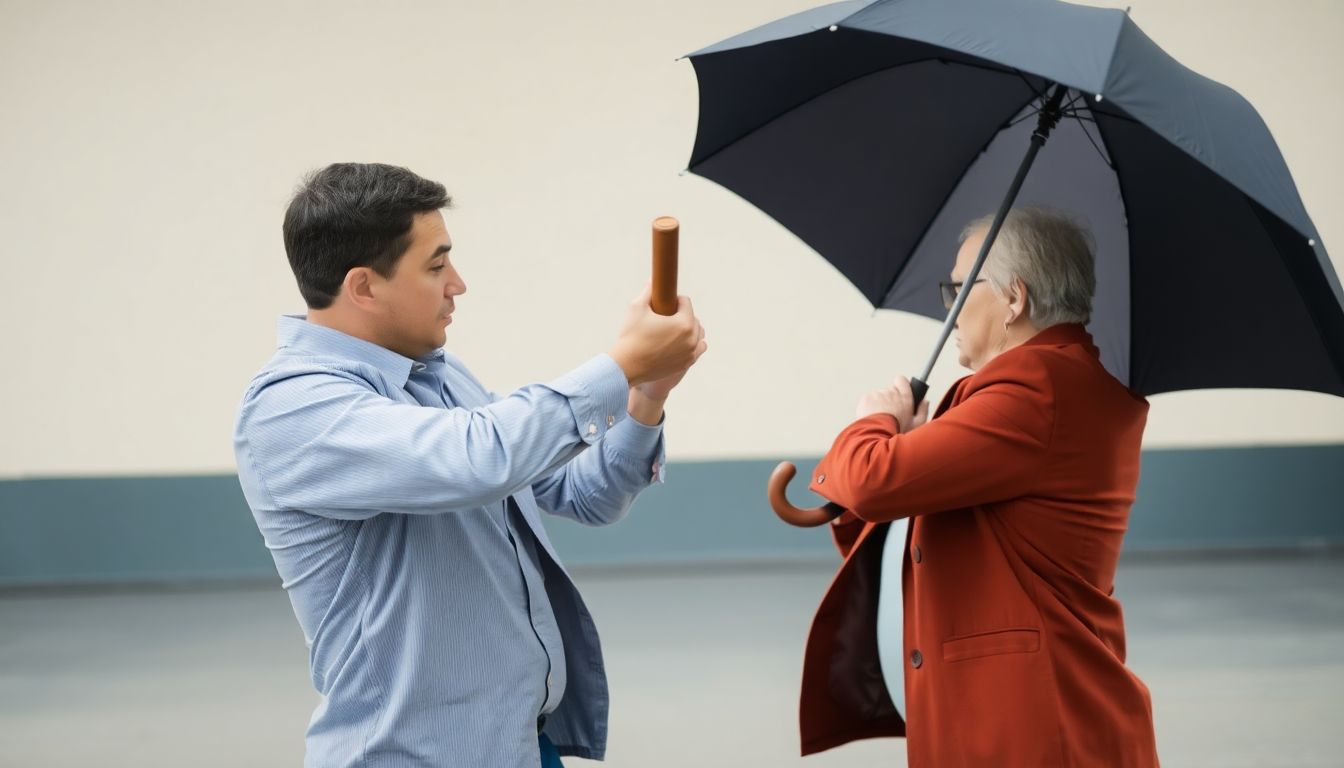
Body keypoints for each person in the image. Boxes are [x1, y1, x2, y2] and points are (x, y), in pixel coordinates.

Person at [233, 162, 706, 767]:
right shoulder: (291, 408)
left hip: (520, 747)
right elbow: (478, 458)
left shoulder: (441, 376)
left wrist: (645, 396)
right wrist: (620, 366)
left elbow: (588, 497)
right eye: (436, 266)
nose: (458, 284)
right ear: (364, 287)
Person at [797, 208, 1159, 767]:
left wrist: (871, 423)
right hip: (1024, 715)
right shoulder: (1052, 385)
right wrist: (916, 444)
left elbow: (871, 480)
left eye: (961, 287)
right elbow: (916, 524)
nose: (951, 307)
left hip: (1030, 725)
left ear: (1014, 298)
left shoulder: (1034, 391)